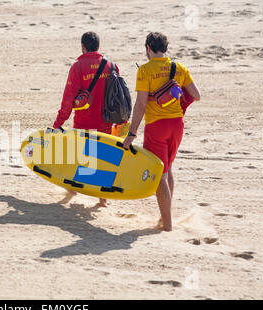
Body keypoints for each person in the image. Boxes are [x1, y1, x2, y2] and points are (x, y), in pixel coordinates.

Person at [123, 32, 200, 231]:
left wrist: (131, 133)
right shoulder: (179, 67)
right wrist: (176, 99)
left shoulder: (145, 70)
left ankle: (167, 225)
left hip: (157, 126)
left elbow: (140, 105)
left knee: (160, 175)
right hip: (177, 125)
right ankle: (165, 217)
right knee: (168, 169)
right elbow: (197, 96)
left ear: (148, 47)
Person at [53, 31, 120, 207]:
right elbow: (118, 95)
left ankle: (72, 189)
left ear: (83, 46)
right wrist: (122, 121)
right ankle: (102, 199)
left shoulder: (78, 67)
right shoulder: (111, 65)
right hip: (106, 121)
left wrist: (58, 124)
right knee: (102, 158)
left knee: (78, 156)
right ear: (98, 46)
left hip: (83, 123)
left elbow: (68, 100)